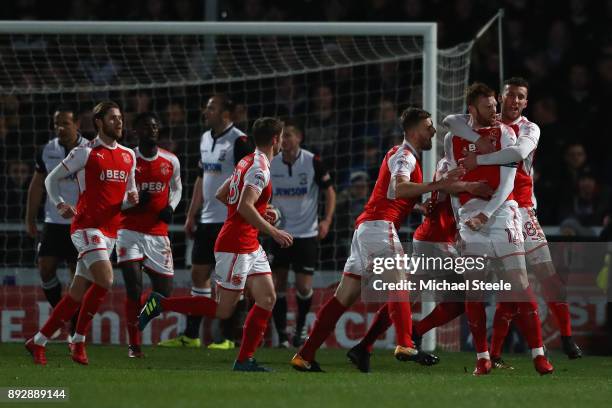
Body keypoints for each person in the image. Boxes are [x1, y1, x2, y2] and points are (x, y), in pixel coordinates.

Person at [290, 107, 462, 373]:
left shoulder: (401, 154)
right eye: (429, 127)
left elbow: (389, 193)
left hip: (367, 228)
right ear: (415, 131)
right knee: (401, 282)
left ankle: (305, 355)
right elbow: (398, 188)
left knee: (342, 298)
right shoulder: (405, 156)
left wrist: (417, 207)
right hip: (380, 227)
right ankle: (406, 343)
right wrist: (437, 186)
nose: (433, 131)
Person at [445, 77, 582, 363]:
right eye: (510, 96)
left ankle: (567, 338)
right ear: (501, 98)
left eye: (521, 97)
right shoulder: (483, 122)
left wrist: (478, 159)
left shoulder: (529, 128)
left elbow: (518, 153)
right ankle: (492, 353)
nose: (515, 101)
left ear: (526, 102)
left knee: (545, 276)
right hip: (487, 208)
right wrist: (477, 140)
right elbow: (451, 121)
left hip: (520, 209)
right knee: (500, 286)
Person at [139, 117, 292, 372]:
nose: (284, 141)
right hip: (236, 245)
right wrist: (273, 230)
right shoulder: (259, 168)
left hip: (249, 243)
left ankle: (244, 360)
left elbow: (223, 195)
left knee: (267, 297)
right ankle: (160, 303)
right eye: (283, 136)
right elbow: (244, 205)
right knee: (223, 311)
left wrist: (258, 213)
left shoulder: (247, 161)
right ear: (275, 139)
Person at [25, 101, 138, 366]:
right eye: (112, 118)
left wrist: (131, 200)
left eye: (120, 118)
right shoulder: (85, 152)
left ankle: (38, 340)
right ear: (98, 122)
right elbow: (51, 179)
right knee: (106, 279)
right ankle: (78, 339)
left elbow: (124, 200)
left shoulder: (128, 155)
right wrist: (60, 204)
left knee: (76, 293)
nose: (119, 123)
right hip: (86, 226)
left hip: (111, 229)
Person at [158, 94, 253, 349]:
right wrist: (191, 213)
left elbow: (250, 180)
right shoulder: (204, 138)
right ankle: (191, 335)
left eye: (212, 107)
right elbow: (202, 178)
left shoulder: (240, 141)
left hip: (230, 220)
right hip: (208, 219)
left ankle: (228, 338)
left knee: (227, 281)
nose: (205, 111)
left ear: (225, 114)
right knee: (199, 274)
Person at [117, 112, 182, 358]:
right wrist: (130, 203)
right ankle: (134, 345)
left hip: (158, 234)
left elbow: (177, 187)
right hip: (128, 230)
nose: (152, 130)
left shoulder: (171, 160)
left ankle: (139, 317)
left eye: (155, 126)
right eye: (146, 126)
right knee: (134, 288)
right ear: (136, 131)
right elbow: (115, 197)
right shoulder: (128, 159)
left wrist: (171, 207)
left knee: (165, 291)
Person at [269, 121, 336, 348]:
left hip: (306, 234)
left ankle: (299, 330)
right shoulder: (271, 162)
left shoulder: (312, 161)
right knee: (276, 284)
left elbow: (330, 193)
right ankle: (281, 335)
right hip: (279, 233)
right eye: (281, 136)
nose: (283, 140)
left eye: (288, 136)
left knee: (304, 287)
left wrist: (326, 220)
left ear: (299, 137)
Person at [24, 106, 88, 339]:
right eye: (56, 124)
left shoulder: (89, 150)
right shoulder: (47, 150)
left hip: (80, 223)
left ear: (77, 123)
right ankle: (63, 318)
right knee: (45, 268)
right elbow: (37, 184)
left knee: (77, 277)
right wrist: (30, 217)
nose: (60, 128)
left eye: (65, 123)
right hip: (53, 221)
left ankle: (74, 328)